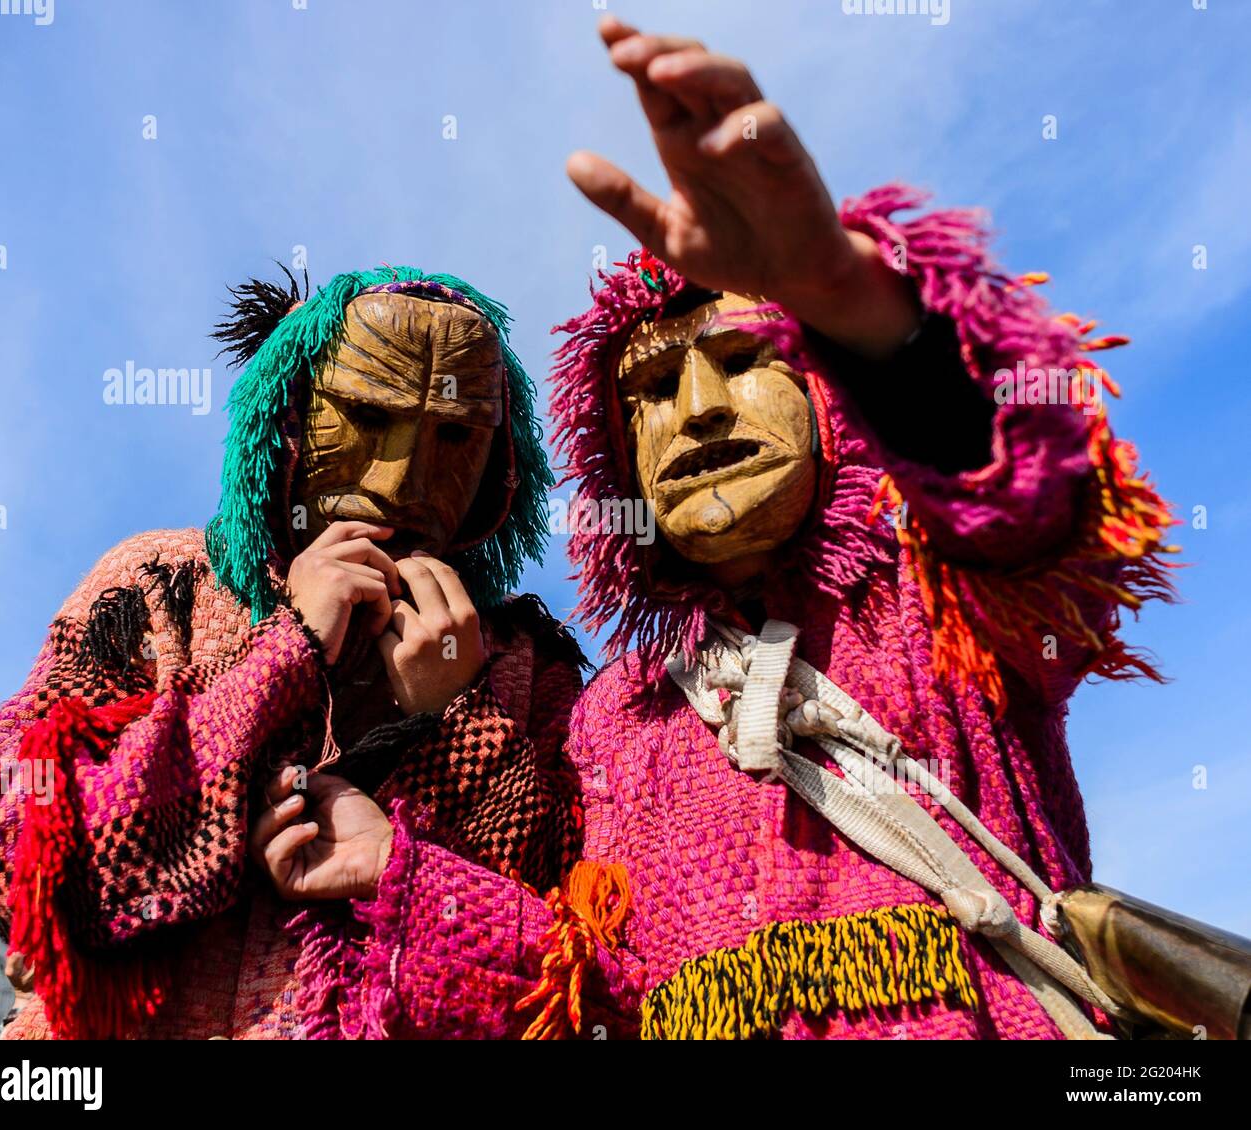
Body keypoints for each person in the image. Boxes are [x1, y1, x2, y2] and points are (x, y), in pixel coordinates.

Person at [245, 18, 1179, 1040]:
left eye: (740, 361)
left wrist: (849, 301)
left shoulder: (945, 603)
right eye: (648, 389)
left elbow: (1027, 495)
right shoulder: (611, 722)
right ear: (615, 461)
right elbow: (592, 999)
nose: (697, 412)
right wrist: (401, 868)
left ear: (826, 401)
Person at [0, 265, 590, 1039]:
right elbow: (12, 851)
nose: (402, 481)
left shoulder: (526, 668)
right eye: (364, 417)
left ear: (500, 466)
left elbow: (565, 961)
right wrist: (287, 654)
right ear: (289, 420)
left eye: (456, 435)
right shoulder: (161, 589)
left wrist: (459, 720)